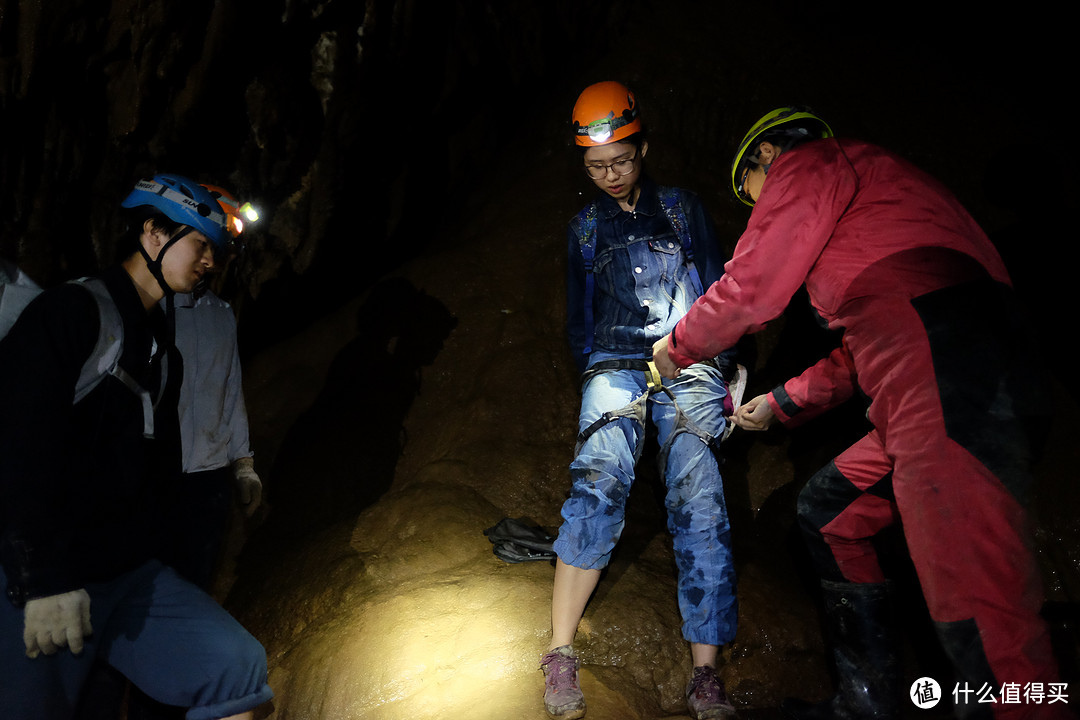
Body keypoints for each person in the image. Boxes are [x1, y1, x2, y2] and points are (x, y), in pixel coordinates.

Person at [652, 107, 1066, 719]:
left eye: (753, 194)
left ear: (767, 155)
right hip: (956, 362)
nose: (756, 209)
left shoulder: (814, 162)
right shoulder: (889, 212)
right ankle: (867, 704)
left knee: (980, 602)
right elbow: (870, 341)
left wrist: (678, 346)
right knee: (831, 511)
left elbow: (757, 281)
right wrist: (781, 403)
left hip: (947, 368)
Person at [0, 173, 273, 720]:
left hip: (125, 574)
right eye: (201, 246)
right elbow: (17, 446)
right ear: (153, 233)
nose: (210, 263)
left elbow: (150, 469)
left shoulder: (161, 345)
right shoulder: (71, 313)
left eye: (214, 253)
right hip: (43, 577)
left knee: (234, 668)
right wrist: (43, 579)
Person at [542, 80, 741, 720]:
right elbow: (580, 319)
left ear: (643, 147)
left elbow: (718, 286)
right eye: (597, 167)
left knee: (700, 498)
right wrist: (593, 377)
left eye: (621, 162)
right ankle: (559, 651)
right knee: (597, 482)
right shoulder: (581, 231)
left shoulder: (683, 210)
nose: (611, 176)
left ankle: (705, 675)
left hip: (689, 359)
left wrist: (725, 367)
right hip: (614, 361)